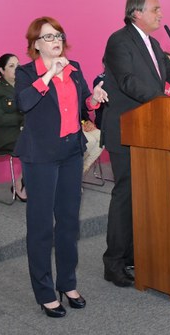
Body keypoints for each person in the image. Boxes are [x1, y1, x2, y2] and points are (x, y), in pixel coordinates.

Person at [100, 0, 170, 288]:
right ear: (137, 13)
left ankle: (134, 254)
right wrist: (164, 102)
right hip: (127, 129)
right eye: (156, 9)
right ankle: (114, 263)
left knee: (144, 195)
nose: (161, 14)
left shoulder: (154, 43)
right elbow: (128, 82)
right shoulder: (119, 40)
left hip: (150, 130)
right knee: (126, 195)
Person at [15, 17, 108, 317]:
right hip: (41, 156)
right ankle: (44, 292)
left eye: (59, 35)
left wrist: (93, 100)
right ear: (36, 44)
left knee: (68, 222)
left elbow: (83, 104)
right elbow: (23, 103)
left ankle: (67, 283)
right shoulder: (27, 72)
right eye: (48, 37)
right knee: (42, 227)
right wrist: (48, 76)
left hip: (70, 152)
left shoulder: (75, 68)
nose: (56, 40)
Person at [0, 53, 26, 201]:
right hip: (6, 136)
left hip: (26, 133)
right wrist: (23, 119)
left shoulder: (25, 85)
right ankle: (24, 185)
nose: (17, 68)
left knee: (48, 142)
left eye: (18, 65)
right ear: (2, 70)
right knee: (35, 145)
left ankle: (25, 181)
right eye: (11, 66)